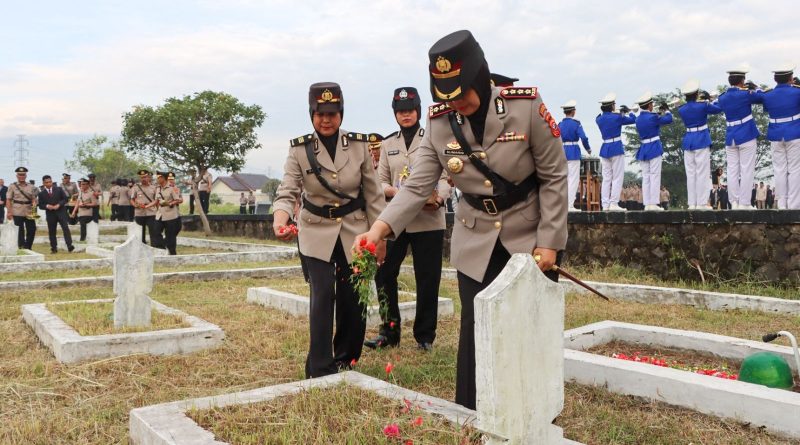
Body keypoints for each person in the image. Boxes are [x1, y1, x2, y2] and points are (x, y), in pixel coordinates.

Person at [353, 30, 567, 410]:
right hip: (476, 237)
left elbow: (553, 177)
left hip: (530, 235)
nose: (457, 104)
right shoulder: (439, 123)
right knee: (474, 328)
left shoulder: (526, 107)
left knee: (529, 326)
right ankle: (474, 412)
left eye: (462, 93)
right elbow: (416, 187)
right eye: (446, 96)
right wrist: (379, 229)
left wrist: (549, 240)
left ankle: (533, 410)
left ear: (480, 76)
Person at [271, 82, 385, 378]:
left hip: (354, 230)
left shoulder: (359, 145)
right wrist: (280, 219)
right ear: (312, 114)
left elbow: (373, 195)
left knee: (352, 297)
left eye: (332, 113)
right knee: (322, 296)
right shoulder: (299, 149)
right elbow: (288, 190)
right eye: (320, 113)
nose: (326, 119)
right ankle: (320, 368)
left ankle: (347, 360)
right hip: (315, 230)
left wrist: (380, 236)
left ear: (341, 114)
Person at [364, 86, 450, 352]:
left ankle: (425, 336)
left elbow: (447, 176)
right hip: (396, 221)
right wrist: (399, 193)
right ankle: (389, 332)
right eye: (400, 111)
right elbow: (379, 182)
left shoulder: (434, 137)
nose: (406, 115)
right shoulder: (388, 144)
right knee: (384, 273)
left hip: (428, 220)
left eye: (410, 110)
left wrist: (439, 197)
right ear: (395, 114)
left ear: (418, 111)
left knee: (428, 278)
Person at [717, 65, 765, 210]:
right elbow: (762, 97)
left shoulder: (722, 97)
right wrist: (755, 87)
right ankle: (744, 203)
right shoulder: (746, 94)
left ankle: (734, 202)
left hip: (731, 135)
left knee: (732, 171)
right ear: (742, 80)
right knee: (746, 170)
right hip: (746, 134)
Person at [678, 80, 723, 210]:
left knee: (691, 174)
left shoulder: (682, 109)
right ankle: (702, 203)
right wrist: (711, 100)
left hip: (689, 141)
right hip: (701, 139)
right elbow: (718, 109)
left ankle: (692, 203)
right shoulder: (703, 105)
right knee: (702, 173)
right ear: (697, 94)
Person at [762, 63, 800, 209]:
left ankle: (782, 204)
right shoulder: (797, 92)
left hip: (776, 133)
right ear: (791, 78)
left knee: (779, 170)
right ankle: (794, 204)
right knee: (795, 170)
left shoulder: (768, 94)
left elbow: (767, 109)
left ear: (775, 79)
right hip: (794, 132)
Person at [634, 92, 674, 211]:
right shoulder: (653, 117)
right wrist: (667, 110)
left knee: (646, 177)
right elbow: (669, 119)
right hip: (654, 147)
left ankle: (647, 203)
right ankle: (654, 203)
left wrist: (657, 114)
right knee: (655, 176)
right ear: (649, 105)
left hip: (644, 148)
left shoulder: (638, 119)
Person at [597, 93, 636, 211]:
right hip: (616, 147)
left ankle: (605, 204)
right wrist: (629, 111)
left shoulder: (599, 118)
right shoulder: (617, 117)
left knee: (606, 178)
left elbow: (609, 118)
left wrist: (620, 112)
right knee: (617, 177)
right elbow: (632, 120)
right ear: (612, 106)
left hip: (605, 147)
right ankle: (614, 203)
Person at [558, 100, 591, 212]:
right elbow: (584, 138)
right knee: (573, 179)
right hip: (573, 152)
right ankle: (570, 205)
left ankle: (563, 205)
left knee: (564, 180)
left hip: (562, 152)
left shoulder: (560, 124)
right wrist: (588, 149)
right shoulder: (576, 123)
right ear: (573, 112)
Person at [38, 175, 74, 253]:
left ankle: (69, 245)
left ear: (52, 181)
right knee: (52, 231)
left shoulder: (59, 189)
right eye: (46, 182)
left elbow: (65, 199)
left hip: (61, 212)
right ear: (43, 183)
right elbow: (40, 205)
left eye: (50, 182)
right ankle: (54, 248)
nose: (49, 184)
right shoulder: (41, 194)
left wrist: (59, 205)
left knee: (65, 228)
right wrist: (47, 206)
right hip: (50, 214)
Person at [6, 167, 38, 249]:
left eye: (23, 175)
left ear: (26, 175)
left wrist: (35, 204)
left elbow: (33, 199)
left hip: (29, 211)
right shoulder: (12, 186)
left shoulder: (31, 186)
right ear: (17, 175)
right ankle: (21, 246)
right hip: (17, 210)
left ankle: (28, 246)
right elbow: (8, 200)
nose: (21, 176)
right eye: (20, 175)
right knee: (20, 231)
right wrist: (9, 212)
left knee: (32, 229)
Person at [154, 172, 183, 255]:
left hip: (172, 214)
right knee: (156, 231)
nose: (171, 181)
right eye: (169, 179)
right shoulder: (158, 188)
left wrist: (170, 203)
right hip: (160, 214)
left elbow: (179, 200)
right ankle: (162, 248)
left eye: (172, 179)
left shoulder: (174, 188)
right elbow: (156, 201)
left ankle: (172, 252)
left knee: (171, 234)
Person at [131, 170, 161, 246]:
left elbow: (156, 200)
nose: (143, 179)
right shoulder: (136, 187)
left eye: (145, 177)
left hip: (151, 213)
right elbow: (132, 199)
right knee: (139, 233)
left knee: (153, 232)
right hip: (139, 213)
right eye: (141, 177)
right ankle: (140, 248)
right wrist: (135, 205)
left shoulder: (154, 187)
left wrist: (156, 210)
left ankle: (155, 248)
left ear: (148, 177)